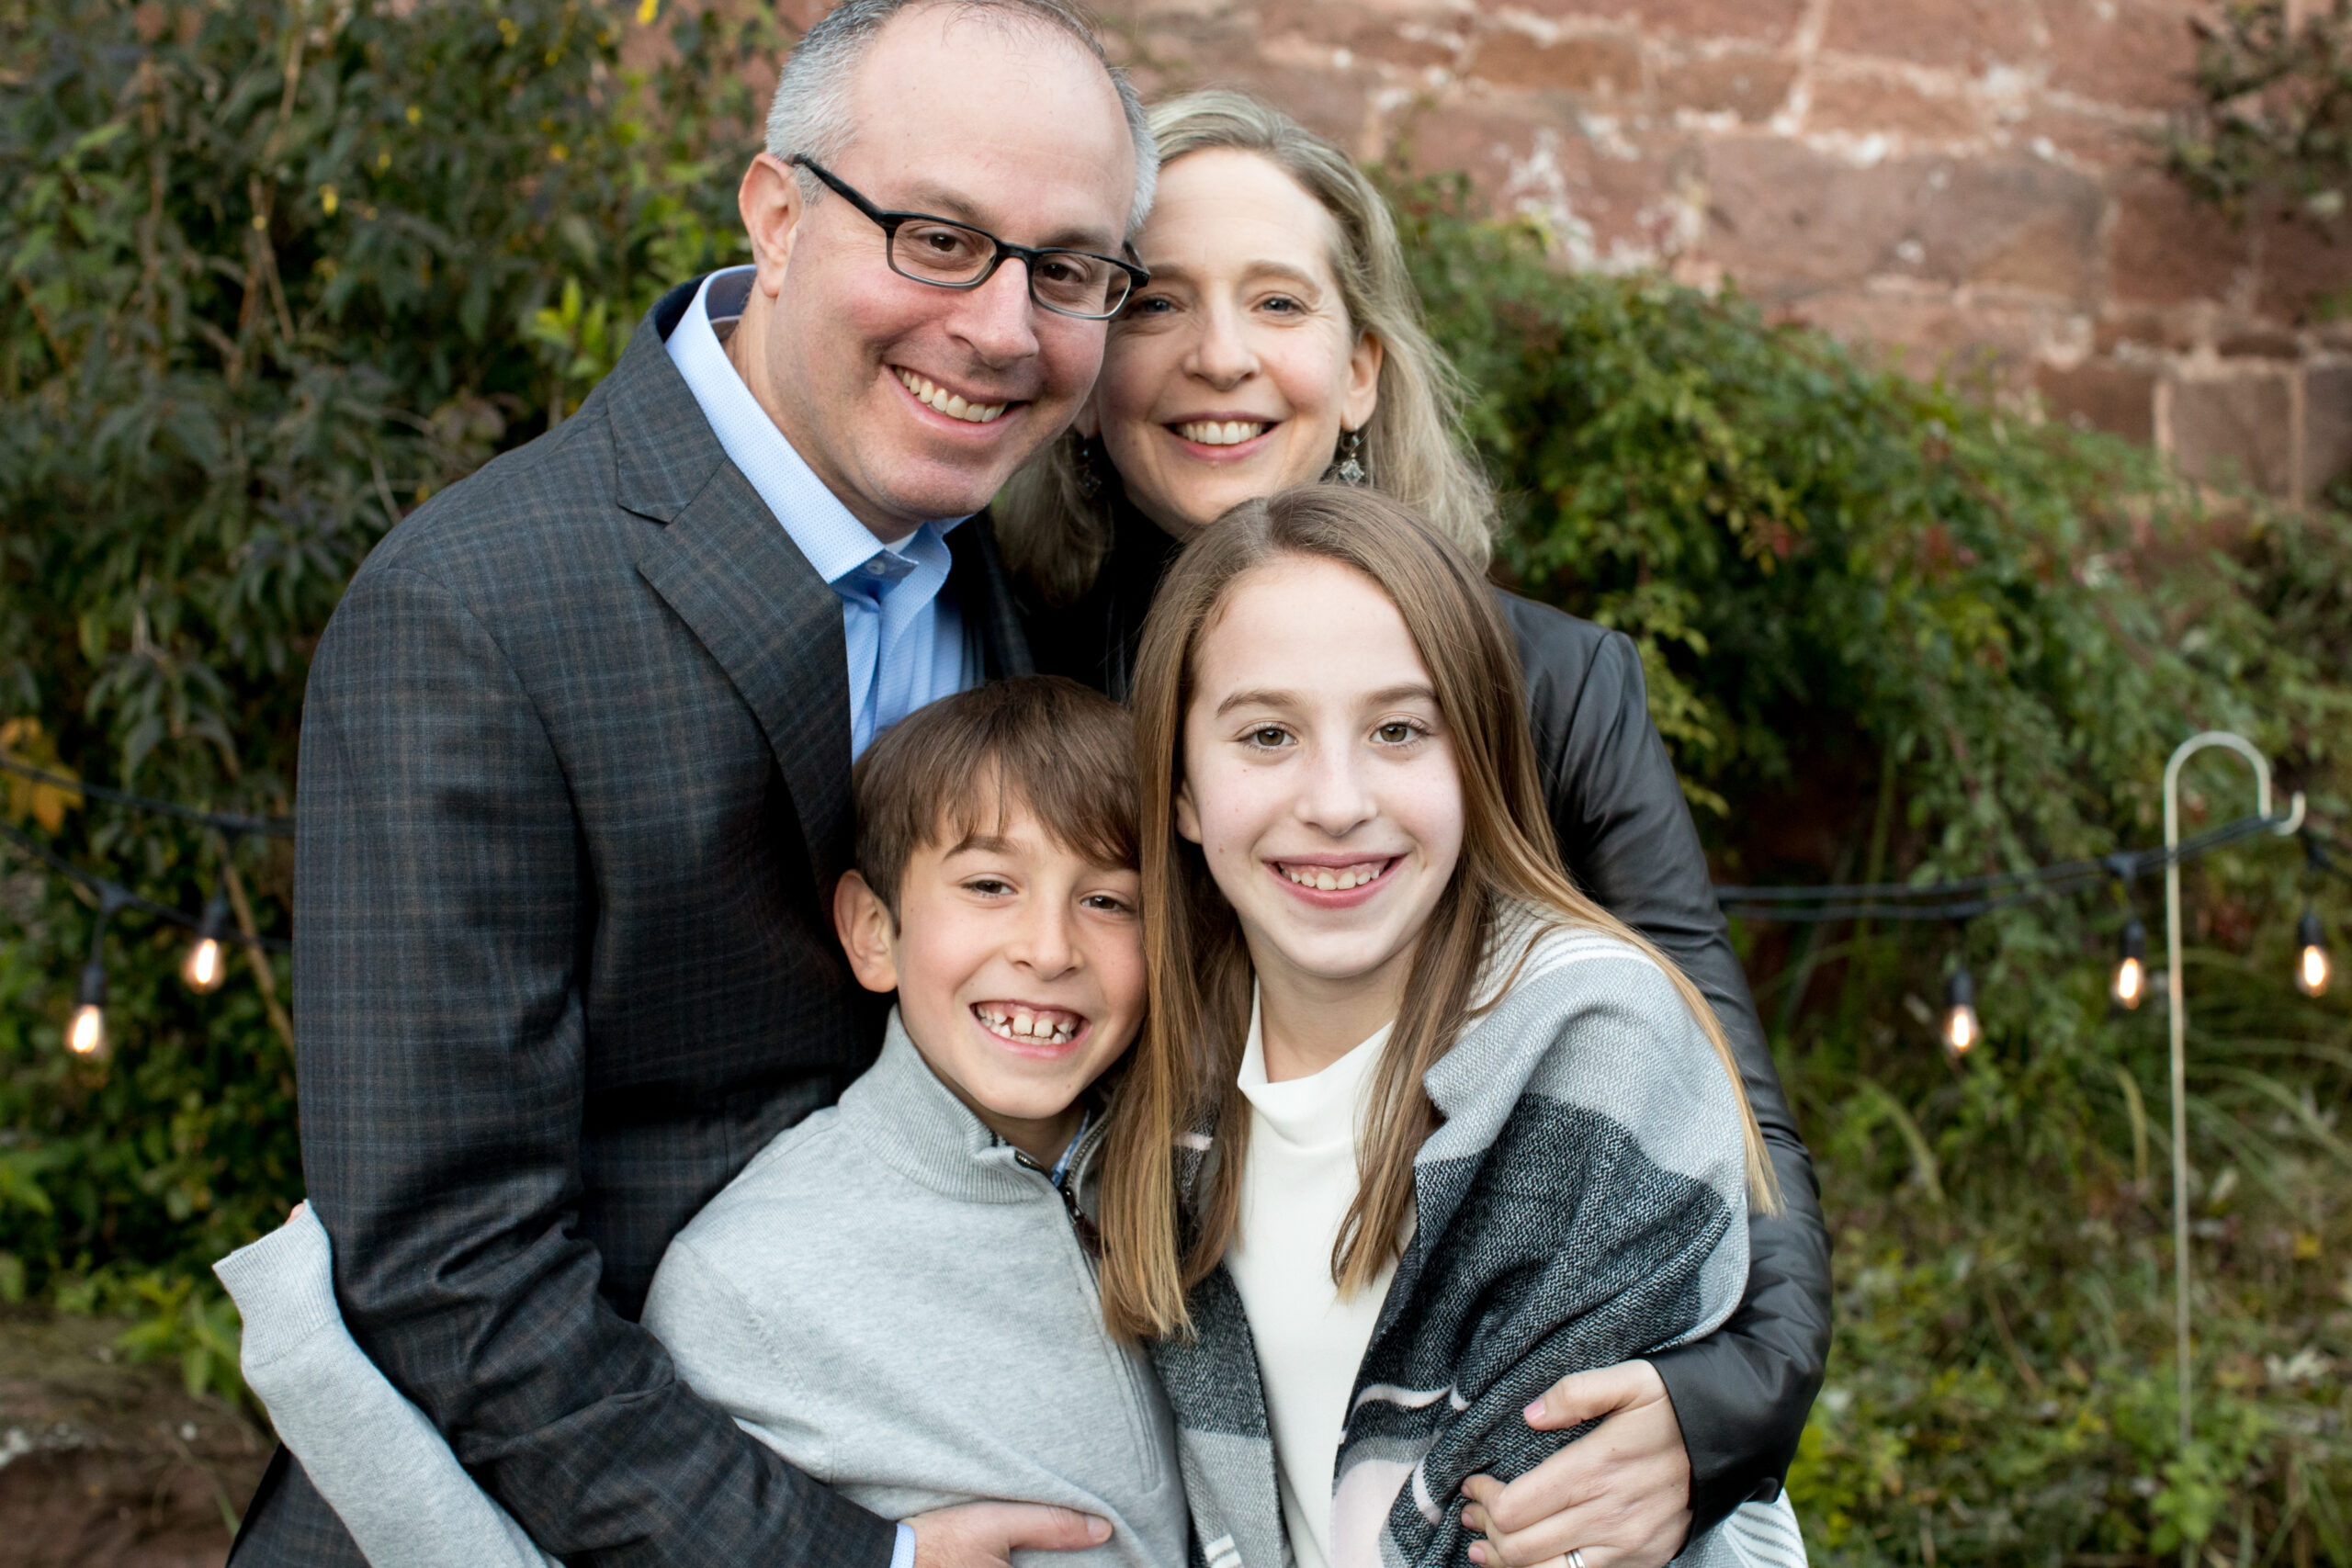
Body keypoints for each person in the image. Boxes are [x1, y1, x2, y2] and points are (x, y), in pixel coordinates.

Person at [232, 2, 1159, 1562]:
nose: (1005, 328)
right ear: (779, 216)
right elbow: (450, 1264)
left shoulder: (1025, 600)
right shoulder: (477, 606)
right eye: (938, 239)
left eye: (1066, 271)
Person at [997, 90, 1832, 1567]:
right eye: (1159, 302)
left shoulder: (1549, 681)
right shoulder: (1033, 682)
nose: (1221, 355)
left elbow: (1714, 1095)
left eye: (1278, 300)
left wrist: (1721, 1407)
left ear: (1363, 366)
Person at [217, 679, 1186, 1568]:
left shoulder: (1200, 1189)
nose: (1049, 948)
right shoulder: (749, 1279)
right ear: (873, 932)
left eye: (1108, 900)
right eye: (989, 886)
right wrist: (322, 1380)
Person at [1097, 485, 1807, 1568]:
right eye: (1267, 734)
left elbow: (1515, 1530)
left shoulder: (1591, 1046)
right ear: (1182, 789)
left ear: (1472, 762)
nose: (1334, 800)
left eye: (1396, 729)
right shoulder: (1155, 1067)